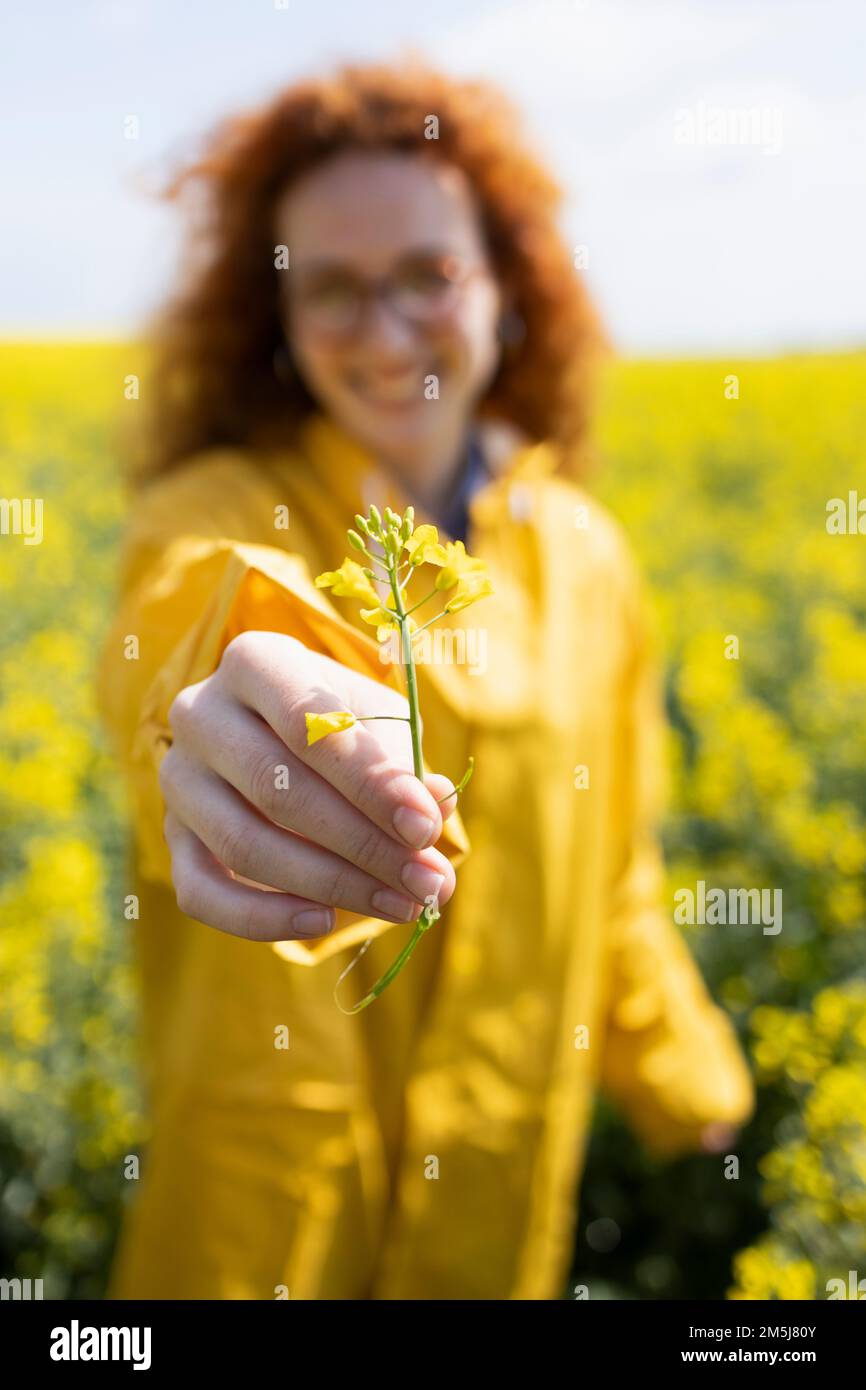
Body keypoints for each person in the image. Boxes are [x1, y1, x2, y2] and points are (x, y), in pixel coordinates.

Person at [97, 59, 755, 1300]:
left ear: (505, 285)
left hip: (492, 1204)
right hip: (259, 1213)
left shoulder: (586, 556)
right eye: (331, 289)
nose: (385, 329)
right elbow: (187, 622)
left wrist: (684, 1083)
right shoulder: (220, 509)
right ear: (275, 318)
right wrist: (215, 706)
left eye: (426, 275)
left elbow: (615, 868)